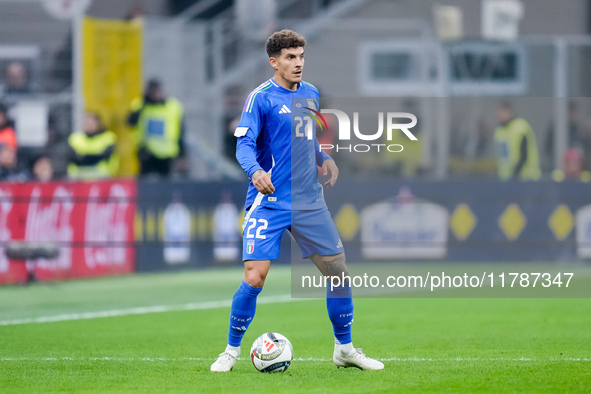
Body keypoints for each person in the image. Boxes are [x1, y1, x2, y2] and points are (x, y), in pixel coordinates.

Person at [210, 29, 384, 372]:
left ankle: (345, 349)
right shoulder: (259, 98)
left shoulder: (311, 94)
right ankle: (230, 352)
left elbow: (306, 137)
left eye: (301, 56)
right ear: (274, 62)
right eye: (290, 57)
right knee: (254, 276)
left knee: (338, 274)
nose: (298, 63)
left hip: (309, 201)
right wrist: (255, 171)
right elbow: (244, 145)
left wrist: (324, 157)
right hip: (270, 200)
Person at [127, 79, 187, 177]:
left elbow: (181, 131)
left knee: (166, 184)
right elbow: (130, 122)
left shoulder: (173, 106)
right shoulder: (140, 105)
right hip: (147, 152)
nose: (155, 94)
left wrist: (182, 154)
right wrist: (143, 104)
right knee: (146, 182)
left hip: (168, 153)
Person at [493, 101, 541, 180]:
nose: (500, 116)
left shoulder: (520, 127)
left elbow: (524, 155)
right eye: (498, 115)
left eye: (503, 113)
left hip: (526, 177)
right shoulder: (499, 131)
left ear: (509, 112)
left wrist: (514, 176)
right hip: (506, 178)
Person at [67, 112, 118, 180]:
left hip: (101, 178)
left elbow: (105, 157)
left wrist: (83, 157)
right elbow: (72, 158)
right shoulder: (75, 139)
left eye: (91, 123)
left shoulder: (107, 138)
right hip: (79, 179)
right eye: (86, 123)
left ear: (98, 123)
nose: (88, 126)